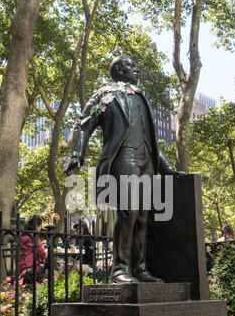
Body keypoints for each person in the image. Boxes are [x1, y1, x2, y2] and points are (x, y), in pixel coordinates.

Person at [63, 55, 185, 284]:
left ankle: (139, 269)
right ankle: (119, 270)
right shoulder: (105, 94)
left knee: (143, 217)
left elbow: (151, 138)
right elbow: (83, 124)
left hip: (146, 159)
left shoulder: (141, 98)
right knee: (128, 212)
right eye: (132, 66)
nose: (137, 69)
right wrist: (77, 154)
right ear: (118, 69)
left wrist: (166, 166)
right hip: (123, 157)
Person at [19, 217, 47, 285]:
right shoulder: (34, 238)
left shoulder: (20, 236)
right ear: (37, 226)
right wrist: (49, 251)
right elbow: (43, 256)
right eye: (40, 226)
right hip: (31, 269)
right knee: (55, 273)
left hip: (20, 268)